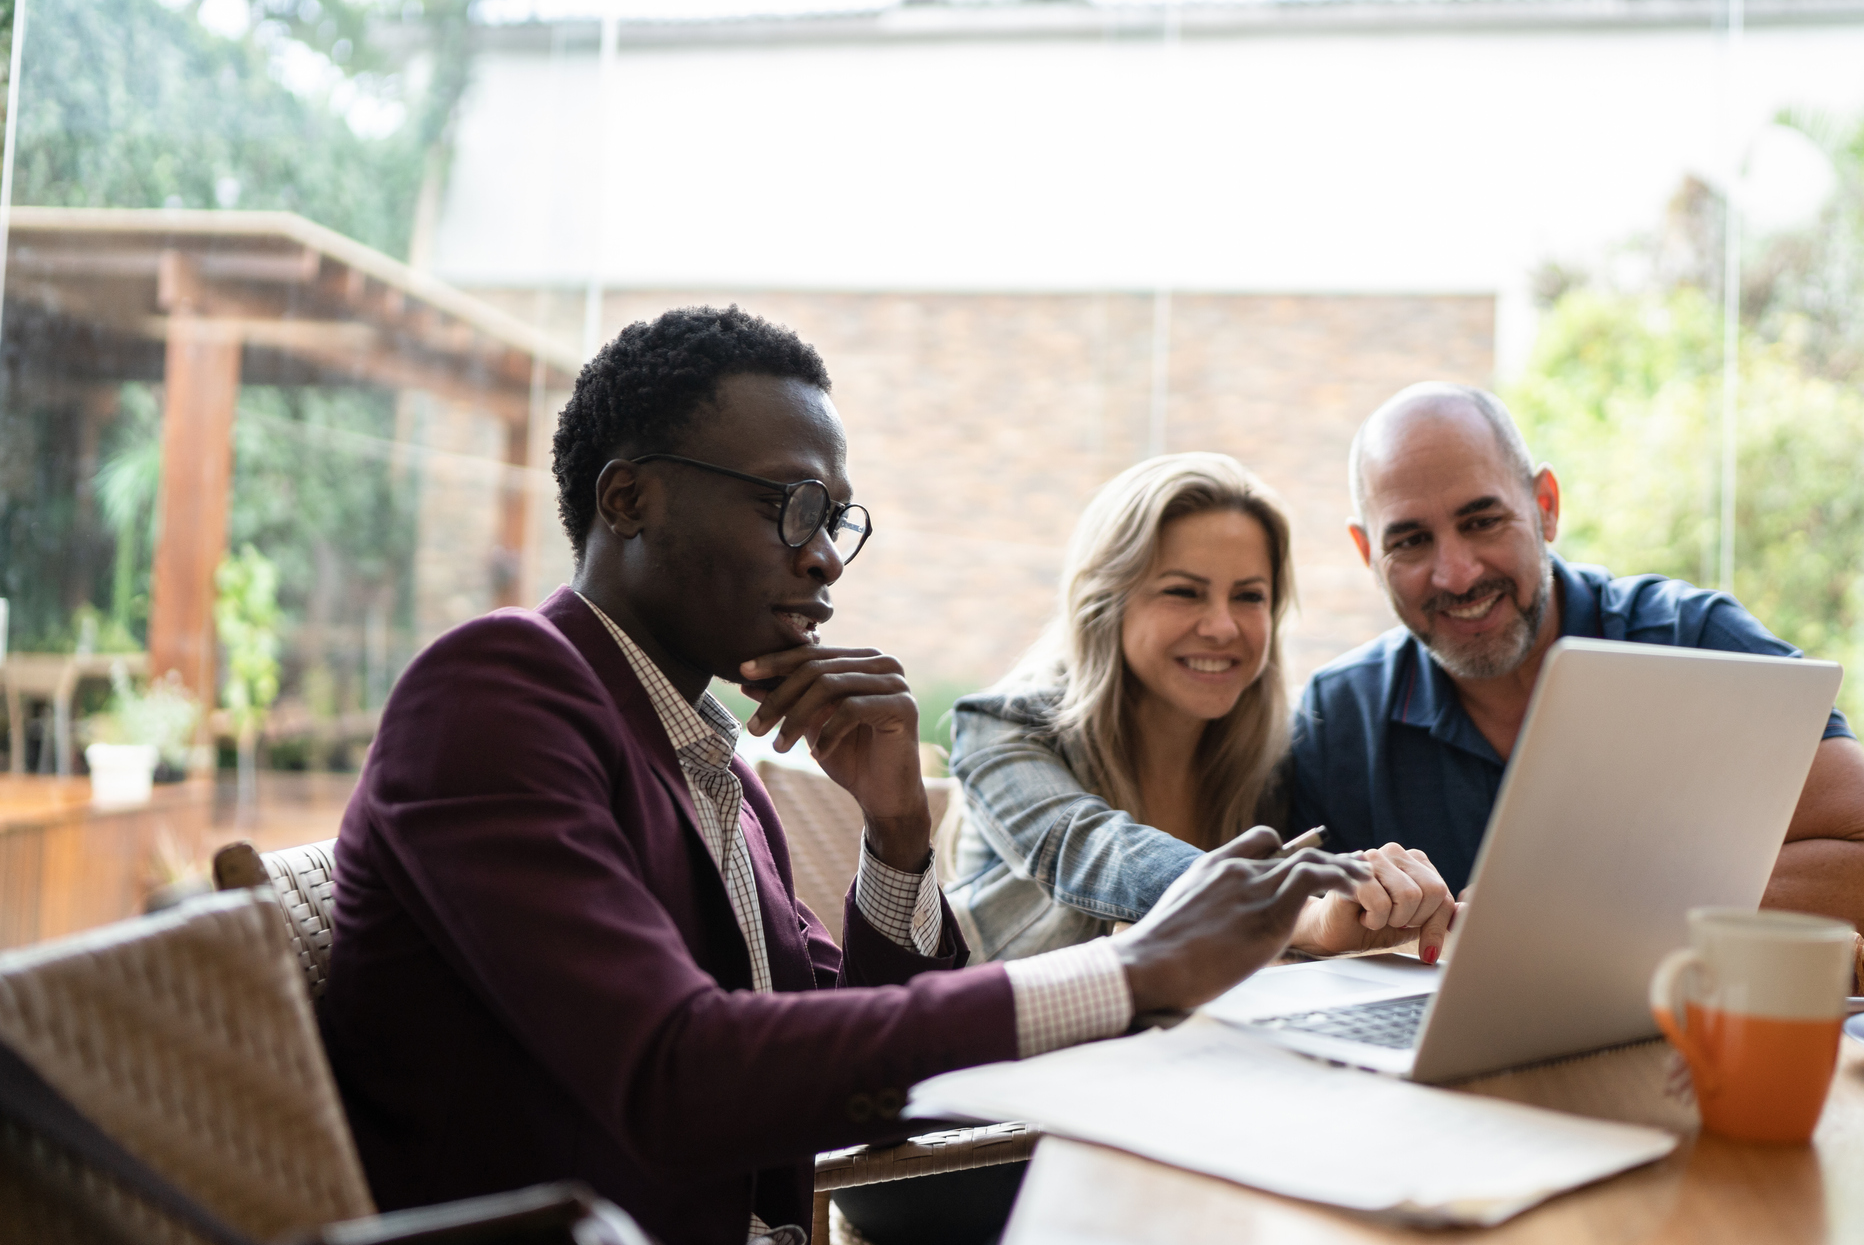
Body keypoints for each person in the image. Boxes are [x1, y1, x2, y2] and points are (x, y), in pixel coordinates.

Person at [317, 307, 1372, 1245]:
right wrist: (1134, 971)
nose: (823, 555)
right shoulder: (495, 691)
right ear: (629, 499)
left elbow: (882, 1078)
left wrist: (897, 833)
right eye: (792, 505)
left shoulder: (710, 762)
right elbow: (675, 1075)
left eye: (834, 520)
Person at [1287, 381, 1864, 962]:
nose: (1456, 573)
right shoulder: (1336, 718)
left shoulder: (1696, 642)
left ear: (1545, 506)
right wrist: (1319, 921)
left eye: (1482, 521)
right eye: (1409, 541)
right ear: (1367, 551)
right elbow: (1248, 907)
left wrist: (1590, 905)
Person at [949, 454, 1456, 967]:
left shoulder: (1280, 753)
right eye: (1184, 592)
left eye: (1249, 596)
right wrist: (1298, 915)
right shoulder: (1002, 727)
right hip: (1000, 1040)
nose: (1222, 627)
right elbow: (1094, 854)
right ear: (1106, 603)